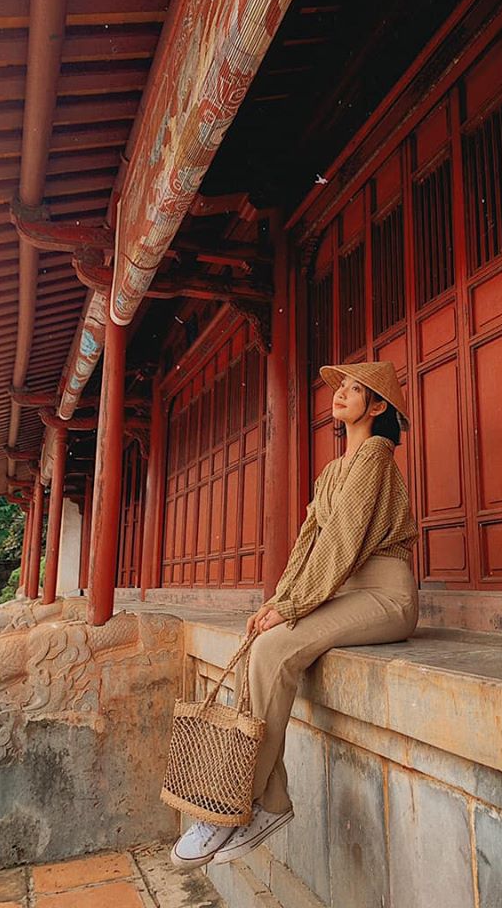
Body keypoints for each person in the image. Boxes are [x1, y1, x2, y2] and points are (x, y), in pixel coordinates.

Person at [171, 361, 419, 870]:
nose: (341, 394)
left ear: (377, 406)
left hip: (385, 597)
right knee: (261, 644)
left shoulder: (376, 454)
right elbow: (308, 545)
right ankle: (268, 800)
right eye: (341, 387)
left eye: (355, 390)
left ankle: (230, 802)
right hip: (343, 592)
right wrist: (275, 602)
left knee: (274, 648)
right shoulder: (331, 473)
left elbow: (342, 543)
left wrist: (291, 607)